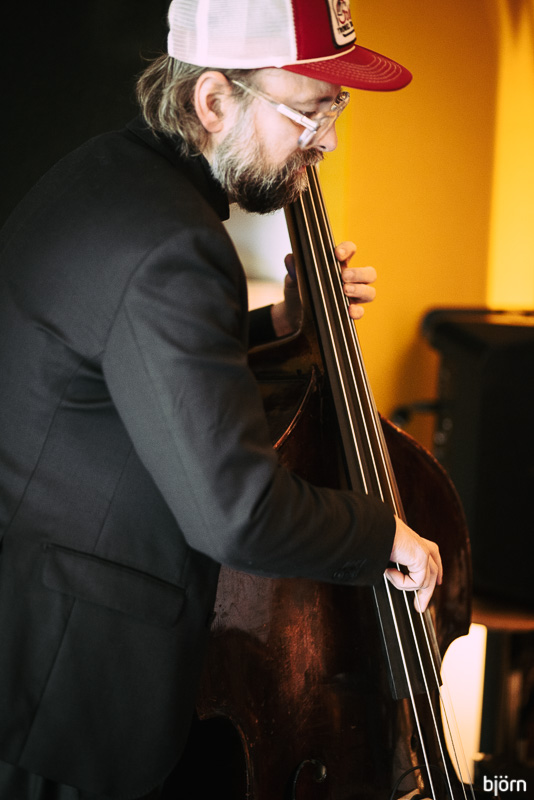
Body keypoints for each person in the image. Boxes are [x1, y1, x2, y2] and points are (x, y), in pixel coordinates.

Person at [0, 1, 442, 798]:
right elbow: (237, 515)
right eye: (309, 112)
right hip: (66, 693)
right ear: (213, 101)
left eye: (336, 108)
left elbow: (133, 365)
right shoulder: (176, 244)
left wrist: (281, 323)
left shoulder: (111, 174)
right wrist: (382, 532)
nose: (327, 140)